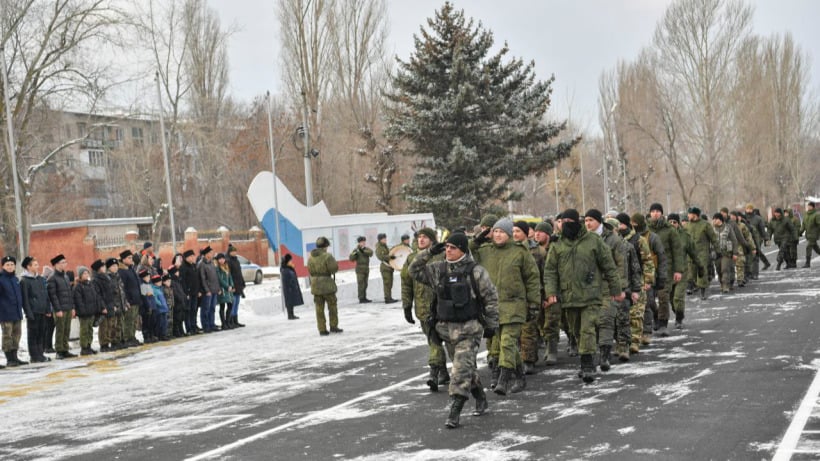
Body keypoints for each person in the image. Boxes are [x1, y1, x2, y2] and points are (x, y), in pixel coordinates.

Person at [409, 232, 500, 429]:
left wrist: (492, 325)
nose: (448, 250)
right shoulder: (438, 270)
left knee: (459, 370)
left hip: (469, 329)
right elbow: (413, 270)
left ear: (463, 250)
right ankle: (480, 396)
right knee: (466, 368)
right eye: (447, 247)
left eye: (453, 247)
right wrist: (429, 252)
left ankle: (455, 411)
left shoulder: (475, 272)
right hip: (445, 330)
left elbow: (490, 299)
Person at [543, 209, 624, 384]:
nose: (565, 225)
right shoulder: (557, 245)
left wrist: (616, 290)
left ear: (575, 222)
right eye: (562, 222)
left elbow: (609, 266)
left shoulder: (593, 241)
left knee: (587, 329)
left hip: (591, 295)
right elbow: (550, 271)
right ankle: (585, 360)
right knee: (577, 331)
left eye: (568, 221)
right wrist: (550, 292)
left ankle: (587, 366)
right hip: (569, 296)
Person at [470, 217, 540, 395]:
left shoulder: (520, 252)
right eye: (496, 231)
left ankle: (503, 379)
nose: (498, 234)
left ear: (509, 234)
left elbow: (532, 279)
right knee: (504, 344)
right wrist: (477, 240)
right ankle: (520, 377)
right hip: (493, 307)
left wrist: (533, 304)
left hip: (515, 304)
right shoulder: (486, 251)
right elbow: (468, 252)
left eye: (502, 231)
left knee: (508, 342)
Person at [401, 227, 453, 391]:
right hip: (424, 309)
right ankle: (440, 372)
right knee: (433, 341)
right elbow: (406, 283)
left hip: (443, 307)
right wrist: (407, 305)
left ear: (432, 239)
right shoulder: (411, 259)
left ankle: (438, 372)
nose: (421, 240)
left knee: (445, 341)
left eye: (425, 237)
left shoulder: (442, 255)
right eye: (419, 237)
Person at [647, 203, 683, 337]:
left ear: (661, 213)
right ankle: (656, 315)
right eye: (653, 211)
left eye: (658, 211)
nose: (655, 213)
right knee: (649, 299)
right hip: (649, 268)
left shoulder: (670, 230)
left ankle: (663, 323)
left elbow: (677, 251)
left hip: (666, 268)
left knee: (663, 297)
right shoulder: (646, 229)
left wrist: (678, 270)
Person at [308, 237, 342, 335]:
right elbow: (334, 269)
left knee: (319, 308)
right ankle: (333, 326)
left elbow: (310, 271)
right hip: (327, 285)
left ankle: (322, 329)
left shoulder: (311, 257)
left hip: (315, 285)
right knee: (332, 306)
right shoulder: (327, 256)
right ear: (325, 246)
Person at [20, 257, 51, 363]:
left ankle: (40, 354)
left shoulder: (40, 279)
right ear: (28, 267)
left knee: (41, 333)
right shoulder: (24, 280)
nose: (37, 266)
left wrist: (48, 309)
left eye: (37, 264)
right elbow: (25, 299)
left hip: (42, 310)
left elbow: (45, 295)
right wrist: (29, 313)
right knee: (33, 334)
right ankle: (34, 355)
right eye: (35, 265)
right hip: (33, 311)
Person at [47, 254, 77, 359]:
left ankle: (65, 349)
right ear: (56, 265)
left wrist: (73, 307)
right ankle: (59, 350)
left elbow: (70, 293)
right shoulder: (52, 278)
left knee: (67, 329)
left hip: (68, 307)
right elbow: (53, 295)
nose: (65, 264)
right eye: (62, 262)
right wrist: (57, 309)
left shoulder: (65, 276)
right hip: (60, 309)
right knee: (60, 330)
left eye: (65, 262)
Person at [685, 207, 717, 300]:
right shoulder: (687, 226)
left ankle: (703, 292)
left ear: (694, 215)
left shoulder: (705, 225)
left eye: (689, 214)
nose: (688, 216)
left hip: (702, 252)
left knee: (702, 272)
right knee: (691, 271)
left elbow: (713, 238)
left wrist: (716, 250)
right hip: (691, 253)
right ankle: (692, 286)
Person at [1, 256, 27, 367]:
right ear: (3, 266)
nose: (10, 267)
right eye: (7, 265)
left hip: (17, 312)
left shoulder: (16, 279)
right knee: (8, 335)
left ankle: (15, 357)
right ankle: (9, 359)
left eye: (12, 264)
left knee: (17, 335)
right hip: (5, 313)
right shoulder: (1, 279)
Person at [73, 266, 102, 355]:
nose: (86, 275)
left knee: (90, 330)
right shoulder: (78, 287)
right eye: (84, 273)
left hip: (91, 311)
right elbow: (78, 301)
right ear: (80, 275)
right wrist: (83, 311)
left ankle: (89, 345)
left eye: (87, 273)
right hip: (84, 313)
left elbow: (95, 297)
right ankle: (84, 347)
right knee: (84, 330)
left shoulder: (90, 285)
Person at [118, 250, 143, 347]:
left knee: (133, 320)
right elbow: (123, 288)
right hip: (130, 300)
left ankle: (132, 336)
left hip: (136, 299)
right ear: (123, 259)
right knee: (128, 320)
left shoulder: (130, 269)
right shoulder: (122, 271)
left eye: (131, 258)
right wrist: (127, 300)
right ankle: (127, 338)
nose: (131, 259)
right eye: (129, 258)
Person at [713, 213, 738, 293]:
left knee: (725, 269)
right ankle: (722, 284)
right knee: (718, 269)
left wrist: (735, 253)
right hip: (716, 253)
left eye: (715, 219)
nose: (713, 221)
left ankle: (726, 286)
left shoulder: (728, 228)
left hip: (726, 253)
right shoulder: (711, 229)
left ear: (719, 220)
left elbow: (734, 240)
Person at [198, 246, 220, 333]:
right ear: (206, 254)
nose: (212, 254)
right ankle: (205, 326)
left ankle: (212, 324)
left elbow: (215, 277)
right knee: (205, 309)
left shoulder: (211, 263)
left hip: (214, 289)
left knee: (212, 308)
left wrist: (218, 288)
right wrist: (207, 290)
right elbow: (202, 279)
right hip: (208, 292)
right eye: (210, 253)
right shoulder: (201, 264)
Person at [180, 249, 201, 335]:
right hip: (188, 293)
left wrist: (199, 290)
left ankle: (194, 326)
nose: (193, 258)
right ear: (187, 257)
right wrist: (186, 293)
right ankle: (189, 328)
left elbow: (197, 279)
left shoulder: (194, 266)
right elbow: (183, 281)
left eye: (193, 256)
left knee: (194, 310)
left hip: (195, 292)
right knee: (188, 311)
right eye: (191, 256)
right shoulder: (183, 267)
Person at [226, 245, 247, 328]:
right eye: (232, 251)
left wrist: (242, 282)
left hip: (238, 284)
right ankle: (230, 321)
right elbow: (229, 275)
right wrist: (231, 285)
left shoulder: (237, 261)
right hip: (233, 285)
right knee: (233, 303)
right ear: (229, 252)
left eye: (235, 251)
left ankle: (235, 320)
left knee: (237, 303)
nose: (234, 253)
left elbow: (239, 273)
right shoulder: (228, 261)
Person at [375, 233, 399, 304]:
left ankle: (389, 297)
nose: (385, 240)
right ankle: (387, 298)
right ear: (380, 240)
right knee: (387, 283)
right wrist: (389, 257)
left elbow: (388, 253)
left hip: (389, 267)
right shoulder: (379, 247)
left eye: (385, 238)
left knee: (390, 283)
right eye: (384, 239)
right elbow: (380, 256)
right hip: (385, 268)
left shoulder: (385, 246)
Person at [350, 236, 373, 303]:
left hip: (366, 268)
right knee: (361, 284)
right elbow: (351, 258)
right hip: (359, 269)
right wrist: (355, 253)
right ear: (359, 243)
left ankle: (364, 297)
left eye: (364, 241)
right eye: (362, 242)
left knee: (365, 284)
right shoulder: (356, 250)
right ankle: (361, 298)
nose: (363, 243)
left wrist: (363, 251)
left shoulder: (366, 249)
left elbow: (371, 253)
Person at [280, 254, 304, 320]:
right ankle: (290, 315)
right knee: (289, 301)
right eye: (290, 261)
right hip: (289, 288)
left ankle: (291, 314)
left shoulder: (287, 268)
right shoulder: (285, 270)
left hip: (290, 288)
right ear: (287, 262)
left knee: (291, 301)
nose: (291, 262)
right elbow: (288, 279)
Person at [215, 253, 235, 330]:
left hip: (229, 290)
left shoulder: (226, 267)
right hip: (223, 290)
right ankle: (223, 324)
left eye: (223, 259)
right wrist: (227, 286)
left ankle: (227, 322)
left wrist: (232, 285)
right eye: (220, 259)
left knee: (230, 305)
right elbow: (220, 279)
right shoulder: (217, 268)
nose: (221, 260)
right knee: (222, 306)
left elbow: (230, 277)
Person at [800, 202, 820, 267]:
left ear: (813, 207)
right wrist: (800, 232)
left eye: (809, 206)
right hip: (808, 235)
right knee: (816, 248)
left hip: (814, 235)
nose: (808, 207)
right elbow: (803, 225)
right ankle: (807, 263)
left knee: (808, 247)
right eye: (808, 206)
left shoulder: (816, 215)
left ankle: (807, 263)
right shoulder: (806, 215)